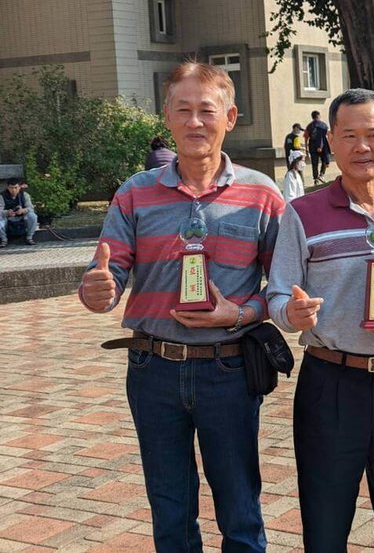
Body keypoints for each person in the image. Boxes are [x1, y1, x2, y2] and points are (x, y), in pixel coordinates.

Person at [78, 61, 283, 552]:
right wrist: (98, 289)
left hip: (229, 369)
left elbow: (283, 287)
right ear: (166, 116)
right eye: (183, 110)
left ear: (230, 117)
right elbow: (108, 274)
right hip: (154, 369)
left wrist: (238, 314)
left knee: (240, 505)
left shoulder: (263, 194)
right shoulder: (134, 193)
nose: (195, 122)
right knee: (169, 505)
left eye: (206, 110)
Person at [267, 88, 374, 552]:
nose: (362, 147)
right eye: (349, 135)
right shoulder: (302, 213)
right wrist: (289, 312)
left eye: (373, 135)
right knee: (326, 520)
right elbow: (278, 291)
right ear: (331, 142)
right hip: (330, 383)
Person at [0, 178, 38, 246]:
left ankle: (29, 237)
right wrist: (7, 212)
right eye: (11, 188)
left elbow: (30, 207)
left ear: (19, 187)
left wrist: (23, 210)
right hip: (7, 218)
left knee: (33, 216)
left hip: (22, 217)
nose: (13, 190)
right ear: (7, 187)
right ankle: (4, 239)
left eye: (16, 187)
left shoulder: (25, 195)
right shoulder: (2, 196)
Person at [304, 110, 332, 184]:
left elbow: (306, 138)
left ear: (312, 117)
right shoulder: (323, 125)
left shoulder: (309, 126)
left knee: (314, 163)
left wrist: (306, 150)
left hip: (312, 145)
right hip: (323, 145)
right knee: (325, 160)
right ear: (319, 116)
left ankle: (316, 178)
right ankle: (322, 174)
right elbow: (328, 135)